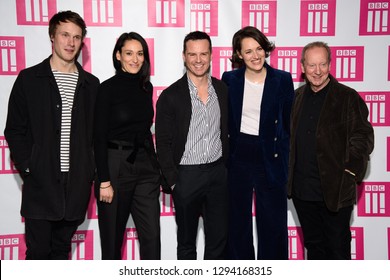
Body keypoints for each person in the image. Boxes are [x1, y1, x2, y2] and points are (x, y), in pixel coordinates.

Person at [4, 11, 99, 259]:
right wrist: (29, 166)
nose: (71, 42)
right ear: (52, 37)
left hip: (76, 185)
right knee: (37, 254)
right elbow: (14, 129)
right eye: (65, 35)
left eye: (77, 37)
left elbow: (97, 135)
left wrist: (90, 170)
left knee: (61, 253)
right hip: (40, 183)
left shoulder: (92, 85)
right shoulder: (29, 79)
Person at [287, 41, 374, 259]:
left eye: (322, 64)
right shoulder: (295, 99)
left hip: (335, 192)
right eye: (312, 65)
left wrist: (350, 173)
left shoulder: (347, 97)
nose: (317, 71)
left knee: (338, 250)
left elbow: (363, 137)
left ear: (330, 65)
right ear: (302, 67)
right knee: (315, 249)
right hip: (302, 192)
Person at [221, 26, 294, 260]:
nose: (255, 56)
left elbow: (288, 125)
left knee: (273, 223)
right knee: (237, 223)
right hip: (239, 155)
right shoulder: (229, 79)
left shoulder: (282, 79)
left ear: (266, 49)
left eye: (259, 49)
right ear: (239, 54)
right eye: (248, 51)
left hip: (270, 156)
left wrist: (284, 160)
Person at [155, 31, 229, 260]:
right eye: (192, 54)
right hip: (187, 176)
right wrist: (175, 181)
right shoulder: (170, 96)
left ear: (211, 55)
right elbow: (163, 144)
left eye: (203, 54)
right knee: (186, 243)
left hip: (218, 174)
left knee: (218, 241)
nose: (198, 59)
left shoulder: (223, 90)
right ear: (184, 56)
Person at [94, 32, 161, 260]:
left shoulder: (146, 87)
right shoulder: (106, 89)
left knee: (152, 238)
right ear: (118, 55)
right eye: (129, 53)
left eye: (140, 53)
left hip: (144, 166)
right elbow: (98, 137)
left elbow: (143, 131)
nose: (135, 59)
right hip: (115, 166)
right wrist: (104, 180)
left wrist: (155, 169)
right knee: (112, 241)